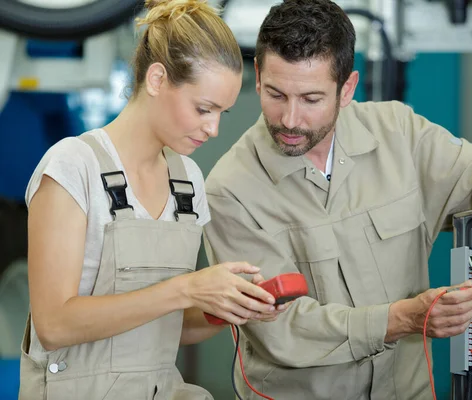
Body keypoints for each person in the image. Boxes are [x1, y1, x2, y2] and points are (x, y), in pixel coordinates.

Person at [202, 0, 472, 399]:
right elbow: (282, 329)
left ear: (347, 88)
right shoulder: (231, 192)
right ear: (259, 75)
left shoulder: (398, 135)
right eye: (276, 94)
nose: (290, 119)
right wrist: (401, 319)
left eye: (312, 99)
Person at [19, 1, 290, 399]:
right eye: (203, 109)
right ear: (158, 79)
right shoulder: (73, 166)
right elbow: (54, 325)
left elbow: (165, 328)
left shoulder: (188, 182)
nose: (213, 129)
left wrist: (229, 308)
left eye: (222, 113)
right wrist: (187, 288)